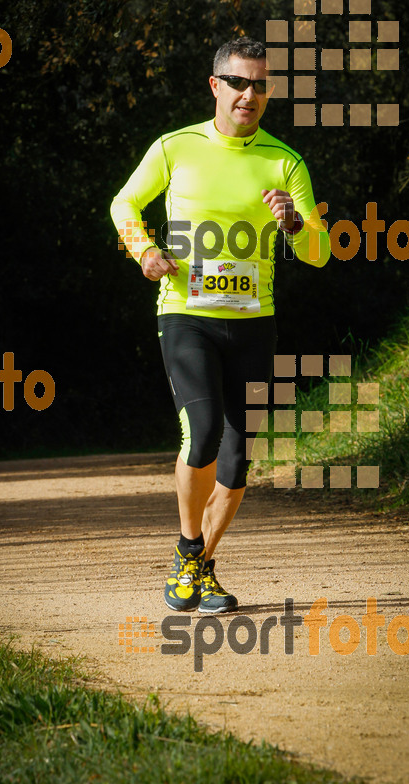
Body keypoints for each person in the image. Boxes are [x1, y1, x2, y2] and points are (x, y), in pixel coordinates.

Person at [110, 36, 330, 615]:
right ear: (216, 86)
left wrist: (293, 226)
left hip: (254, 325)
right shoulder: (175, 148)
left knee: (237, 457)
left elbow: (319, 252)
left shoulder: (286, 162)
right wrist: (144, 251)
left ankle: (201, 568)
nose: (249, 94)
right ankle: (189, 552)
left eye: (260, 84)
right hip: (186, 316)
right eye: (239, 82)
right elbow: (123, 205)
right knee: (202, 431)